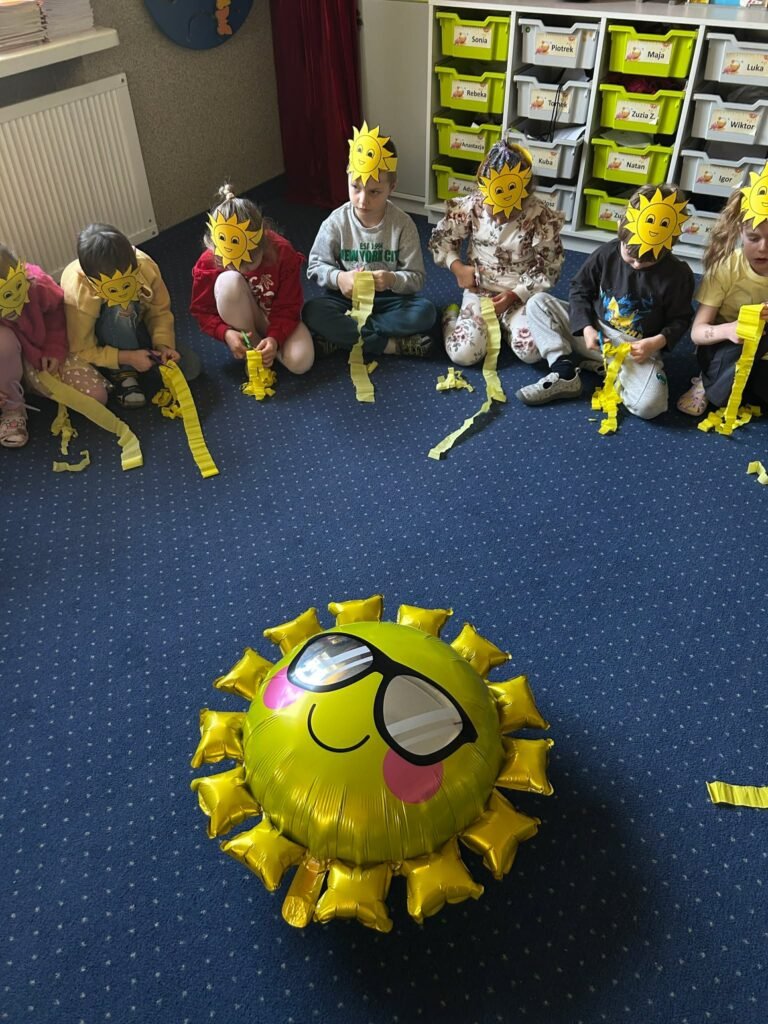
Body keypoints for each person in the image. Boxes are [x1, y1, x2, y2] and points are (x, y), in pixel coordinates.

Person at [516, 183, 694, 418]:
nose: (637, 265)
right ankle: (564, 370)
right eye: (630, 256)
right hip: (595, 334)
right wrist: (587, 328)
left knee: (651, 406)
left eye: (646, 262)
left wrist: (655, 343)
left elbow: (681, 319)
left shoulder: (678, 274)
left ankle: (608, 368)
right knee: (538, 303)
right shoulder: (607, 252)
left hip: (634, 349)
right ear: (621, 227)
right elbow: (579, 289)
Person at [302, 122, 436, 357]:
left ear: (391, 187)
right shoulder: (335, 222)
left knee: (426, 312)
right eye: (355, 187)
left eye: (374, 192)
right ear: (347, 177)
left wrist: (392, 279)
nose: (363, 200)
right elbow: (314, 266)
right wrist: (339, 277)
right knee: (312, 311)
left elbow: (416, 278)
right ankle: (390, 345)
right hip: (347, 299)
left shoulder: (403, 225)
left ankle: (346, 337)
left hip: (389, 301)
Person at [428, 139, 563, 367]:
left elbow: (550, 266)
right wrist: (457, 267)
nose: (500, 219)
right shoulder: (473, 206)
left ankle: (505, 328)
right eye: (494, 211)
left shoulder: (539, 216)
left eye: (508, 213)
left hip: (519, 297)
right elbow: (441, 240)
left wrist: (514, 295)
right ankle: (451, 316)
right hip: (480, 292)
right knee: (462, 355)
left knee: (533, 351)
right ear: (483, 193)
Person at [61, 224, 200, 409]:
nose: (122, 291)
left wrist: (163, 344)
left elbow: (159, 311)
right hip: (98, 340)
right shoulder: (78, 292)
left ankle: (141, 358)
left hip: (135, 322)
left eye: (127, 284)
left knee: (191, 368)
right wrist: (126, 358)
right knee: (121, 307)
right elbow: (81, 349)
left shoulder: (145, 265)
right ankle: (123, 373)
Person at [190, 184, 314, 376]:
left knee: (301, 362)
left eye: (249, 265)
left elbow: (289, 304)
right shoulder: (209, 262)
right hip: (242, 321)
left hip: (274, 316)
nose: (242, 270)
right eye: (234, 265)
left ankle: (268, 350)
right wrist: (226, 333)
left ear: (263, 245)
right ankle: (254, 349)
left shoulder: (281, 251)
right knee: (228, 282)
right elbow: (202, 311)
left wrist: (274, 338)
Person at [678, 161, 768, 415]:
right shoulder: (726, 268)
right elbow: (697, 333)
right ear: (741, 232)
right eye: (754, 238)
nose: (763, 249)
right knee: (724, 393)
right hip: (724, 345)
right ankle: (705, 382)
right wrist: (730, 330)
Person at [0, 243, 108, 448]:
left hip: (45, 355)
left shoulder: (38, 286)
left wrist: (54, 349)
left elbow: (57, 316)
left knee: (97, 397)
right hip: (7, 365)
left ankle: (29, 386)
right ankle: (13, 408)